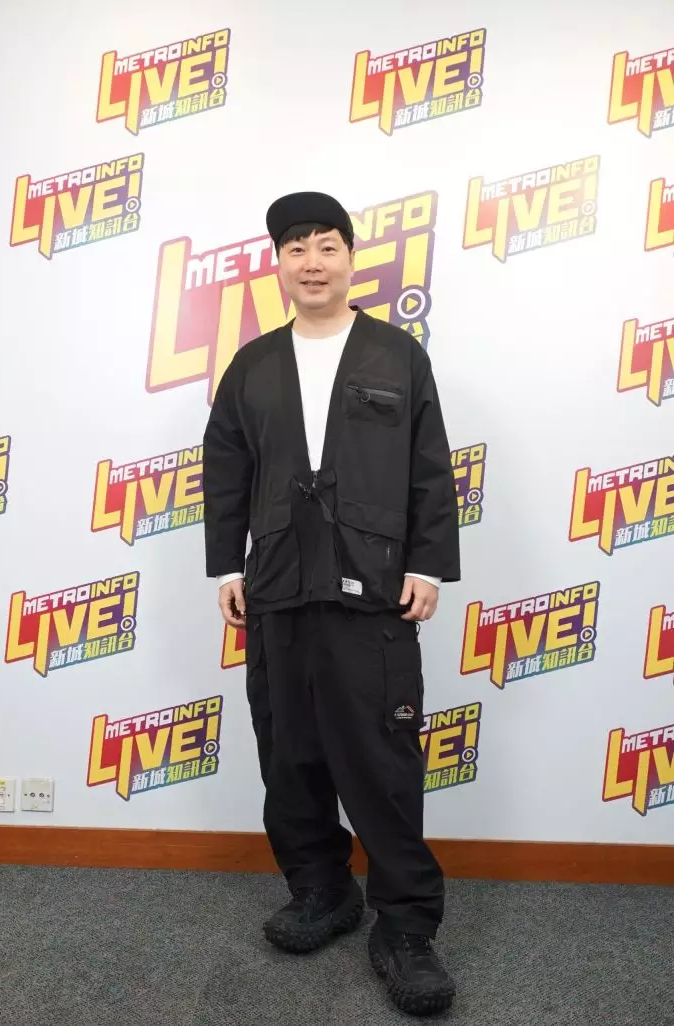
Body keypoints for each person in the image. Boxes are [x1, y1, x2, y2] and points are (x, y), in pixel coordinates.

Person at [203, 191, 460, 1017]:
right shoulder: (253, 365)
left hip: (373, 590)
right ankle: (321, 889)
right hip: (278, 585)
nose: (312, 263)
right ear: (278, 265)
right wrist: (226, 567)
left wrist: (428, 565)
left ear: (351, 257)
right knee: (290, 749)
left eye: (326, 246)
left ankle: (405, 928)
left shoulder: (396, 354)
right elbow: (225, 470)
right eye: (296, 249)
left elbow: (430, 466)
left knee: (381, 762)